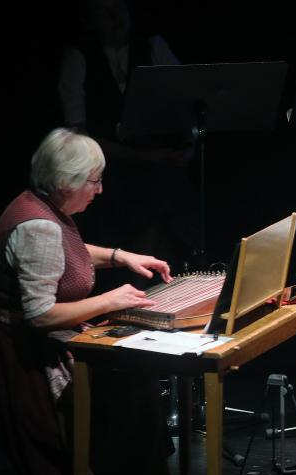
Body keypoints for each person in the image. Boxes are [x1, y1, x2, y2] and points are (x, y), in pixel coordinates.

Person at [0, 128, 175, 475]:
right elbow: (39, 315)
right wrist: (110, 300)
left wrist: (122, 257)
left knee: (135, 383)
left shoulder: (40, 207)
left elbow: (67, 253)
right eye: (94, 180)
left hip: (38, 342)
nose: (99, 190)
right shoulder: (39, 227)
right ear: (66, 181)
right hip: (25, 360)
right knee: (129, 392)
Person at [58, 0, 197, 276]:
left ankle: (174, 281)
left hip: (161, 161)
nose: (115, 18)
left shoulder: (151, 45)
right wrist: (143, 157)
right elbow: (79, 134)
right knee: (139, 205)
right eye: (104, 10)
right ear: (89, 19)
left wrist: (186, 145)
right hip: (109, 165)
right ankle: (142, 284)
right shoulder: (79, 57)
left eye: (119, 8)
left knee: (171, 199)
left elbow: (188, 100)